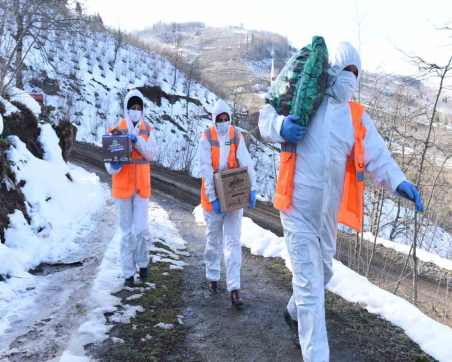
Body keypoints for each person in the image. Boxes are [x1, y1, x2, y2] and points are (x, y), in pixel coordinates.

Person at [259, 42, 424, 361]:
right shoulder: (306, 101)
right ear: (332, 69)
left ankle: (292, 312)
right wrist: (281, 126)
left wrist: (399, 181)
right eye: (346, 70)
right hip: (295, 209)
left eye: (356, 73)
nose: (351, 78)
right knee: (310, 288)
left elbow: (378, 156)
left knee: (322, 275)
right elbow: (266, 115)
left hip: (326, 217)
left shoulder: (356, 117)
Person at [199, 99, 257, 307]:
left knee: (233, 242)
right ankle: (212, 275)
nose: (223, 122)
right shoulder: (206, 137)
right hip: (212, 199)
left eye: (226, 118)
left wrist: (252, 187)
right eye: (219, 119)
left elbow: (246, 162)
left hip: (233, 197)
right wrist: (214, 197)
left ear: (229, 119)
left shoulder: (235, 135)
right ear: (214, 120)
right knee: (213, 241)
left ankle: (234, 288)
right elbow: (206, 170)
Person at [105, 88, 157, 287]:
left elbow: (152, 154)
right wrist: (114, 165)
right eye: (132, 107)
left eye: (138, 107)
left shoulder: (148, 129)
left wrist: (138, 142)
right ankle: (128, 273)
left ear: (142, 109)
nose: (135, 110)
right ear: (126, 109)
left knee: (141, 230)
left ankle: (143, 263)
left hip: (142, 188)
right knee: (126, 232)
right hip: (123, 187)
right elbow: (109, 166)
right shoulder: (115, 130)